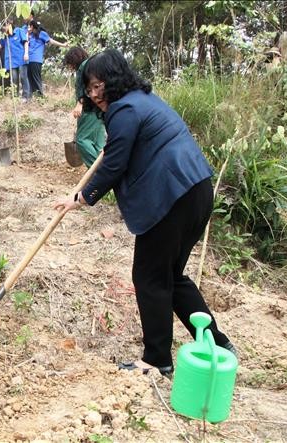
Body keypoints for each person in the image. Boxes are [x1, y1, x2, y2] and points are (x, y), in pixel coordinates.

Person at [54, 49, 236, 376]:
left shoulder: (125, 110)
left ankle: (156, 359)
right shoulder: (143, 100)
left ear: (115, 79)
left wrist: (81, 197)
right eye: (90, 88)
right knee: (170, 276)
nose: (95, 95)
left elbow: (114, 165)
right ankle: (216, 342)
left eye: (100, 86)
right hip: (196, 190)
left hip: (172, 196)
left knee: (149, 276)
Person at [63, 47, 105, 167]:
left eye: (70, 63)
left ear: (74, 59)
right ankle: (106, 178)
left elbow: (86, 87)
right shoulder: (93, 65)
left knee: (81, 140)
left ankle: (98, 173)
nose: (70, 67)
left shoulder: (84, 66)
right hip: (99, 109)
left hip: (90, 109)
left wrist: (80, 103)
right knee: (98, 144)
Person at [27, 20, 68, 97]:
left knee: (36, 78)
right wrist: (28, 34)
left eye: (29, 26)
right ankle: (31, 96)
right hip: (29, 60)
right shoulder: (30, 35)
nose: (28, 28)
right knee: (29, 78)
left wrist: (63, 45)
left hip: (36, 59)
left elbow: (51, 41)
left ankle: (40, 96)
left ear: (32, 26)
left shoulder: (42, 34)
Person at [0, 18, 30, 100]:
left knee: (23, 77)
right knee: (14, 79)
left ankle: (25, 96)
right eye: (2, 29)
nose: (4, 30)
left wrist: (26, 53)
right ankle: (15, 97)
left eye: (4, 27)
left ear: (9, 24)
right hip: (11, 61)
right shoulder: (5, 37)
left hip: (21, 59)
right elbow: (0, 46)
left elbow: (25, 42)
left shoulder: (19, 31)